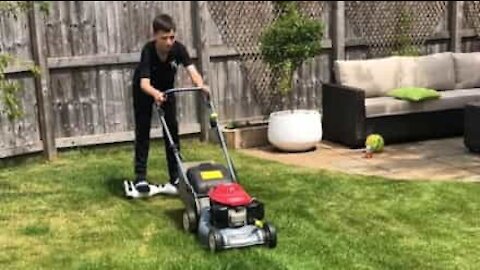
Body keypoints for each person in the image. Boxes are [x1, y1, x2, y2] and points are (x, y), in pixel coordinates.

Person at [132, 14, 209, 195]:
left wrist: (201, 85)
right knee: (143, 131)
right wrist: (155, 94)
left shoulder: (179, 50)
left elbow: (192, 71)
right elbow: (144, 83)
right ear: (155, 36)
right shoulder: (148, 51)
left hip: (167, 92)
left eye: (171, 37)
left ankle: (175, 175)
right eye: (164, 38)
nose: (169, 42)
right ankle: (140, 177)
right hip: (145, 91)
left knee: (172, 131)